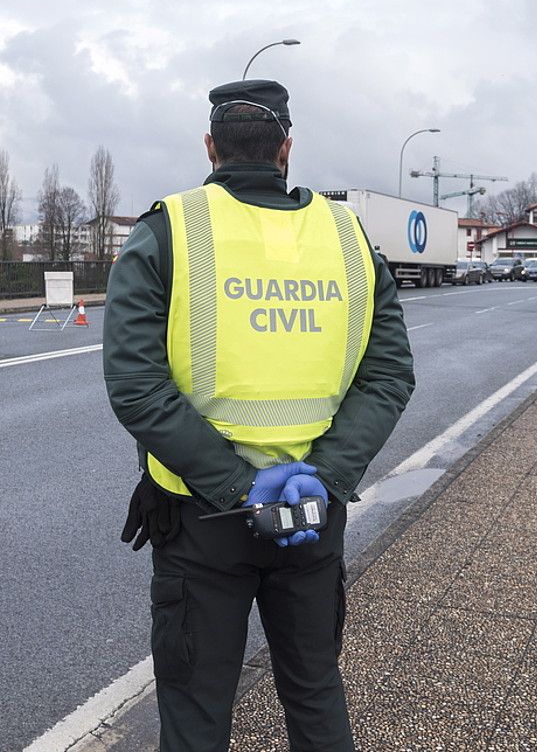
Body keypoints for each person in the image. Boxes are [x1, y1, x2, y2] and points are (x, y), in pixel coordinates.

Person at [104, 79, 415, 752]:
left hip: (200, 521)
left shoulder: (169, 230)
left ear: (211, 147)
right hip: (311, 518)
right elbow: (390, 373)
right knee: (313, 691)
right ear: (286, 150)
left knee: (195, 708)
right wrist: (322, 478)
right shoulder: (348, 237)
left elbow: (135, 385)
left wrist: (240, 487)